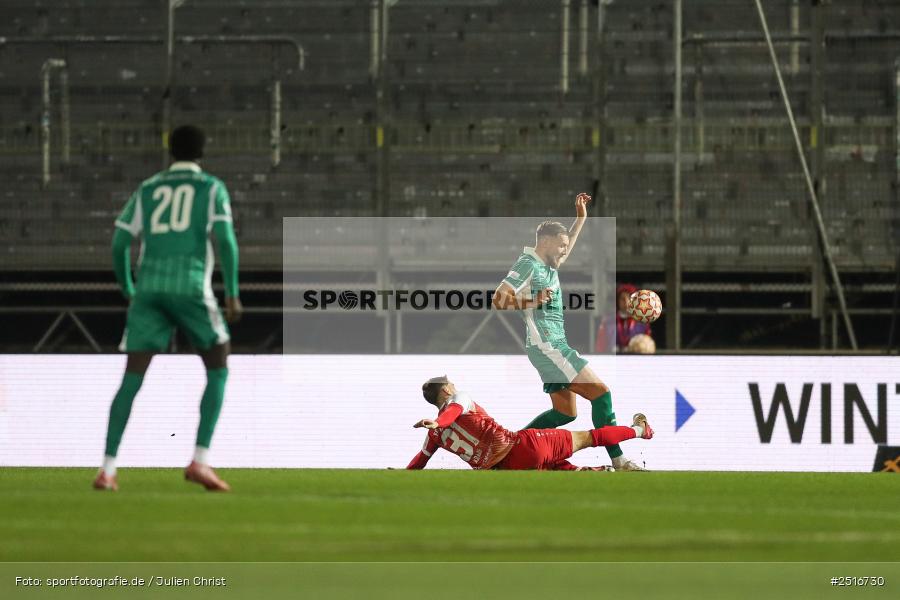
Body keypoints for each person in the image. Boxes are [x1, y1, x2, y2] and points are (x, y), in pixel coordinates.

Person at [93, 125, 242, 492]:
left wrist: (129, 287)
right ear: (201, 151)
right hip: (189, 287)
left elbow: (119, 243)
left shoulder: (148, 189)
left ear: (169, 150)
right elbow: (224, 240)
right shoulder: (210, 188)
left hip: (149, 291)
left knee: (132, 378)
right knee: (219, 366)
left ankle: (107, 469)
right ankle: (200, 461)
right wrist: (233, 293)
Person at [492, 193, 646, 471]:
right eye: (561, 245)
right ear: (547, 242)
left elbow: (568, 242)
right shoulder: (527, 265)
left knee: (565, 413)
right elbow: (498, 299)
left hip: (551, 345)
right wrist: (532, 301)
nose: (566, 250)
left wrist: (580, 218)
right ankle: (619, 459)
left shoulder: (548, 265)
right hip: (548, 346)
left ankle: (508, 451)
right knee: (602, 394)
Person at [406, 376, 652, 471]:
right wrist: (438, 421)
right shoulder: (459, 399)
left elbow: (421, 459)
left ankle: (595, 472)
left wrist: (405, 476)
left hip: (506, 470)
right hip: (522, 446)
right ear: (447, 388)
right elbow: (454, 412)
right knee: (591, 437)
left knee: (554, 467)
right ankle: (640, 430)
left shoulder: (435, 435)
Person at [594, 283, 654, 353]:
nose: (626, 302)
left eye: (629, 298)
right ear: (618, 301)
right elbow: (600, 348)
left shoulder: (642, 323)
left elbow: (649, 348)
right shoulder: (607, 323)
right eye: (622, 299)